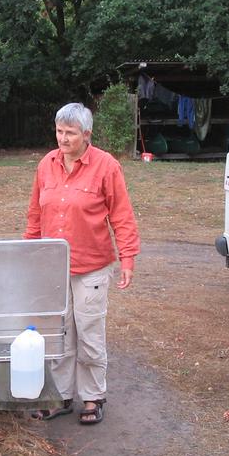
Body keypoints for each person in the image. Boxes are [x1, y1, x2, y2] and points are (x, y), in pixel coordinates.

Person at [24, 103, 140, 425]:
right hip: (53, 267)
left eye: (70, 133)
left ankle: (92, 397)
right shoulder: (46, 165)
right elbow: (36, 214)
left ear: (86, 134)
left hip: (91, 266)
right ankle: (61, 396)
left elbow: (122, 216)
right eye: (59, 131)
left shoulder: (106, 166)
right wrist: (28, 256)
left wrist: (127, 257)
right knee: (59, 333)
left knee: (89, 333)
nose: (63, 139)